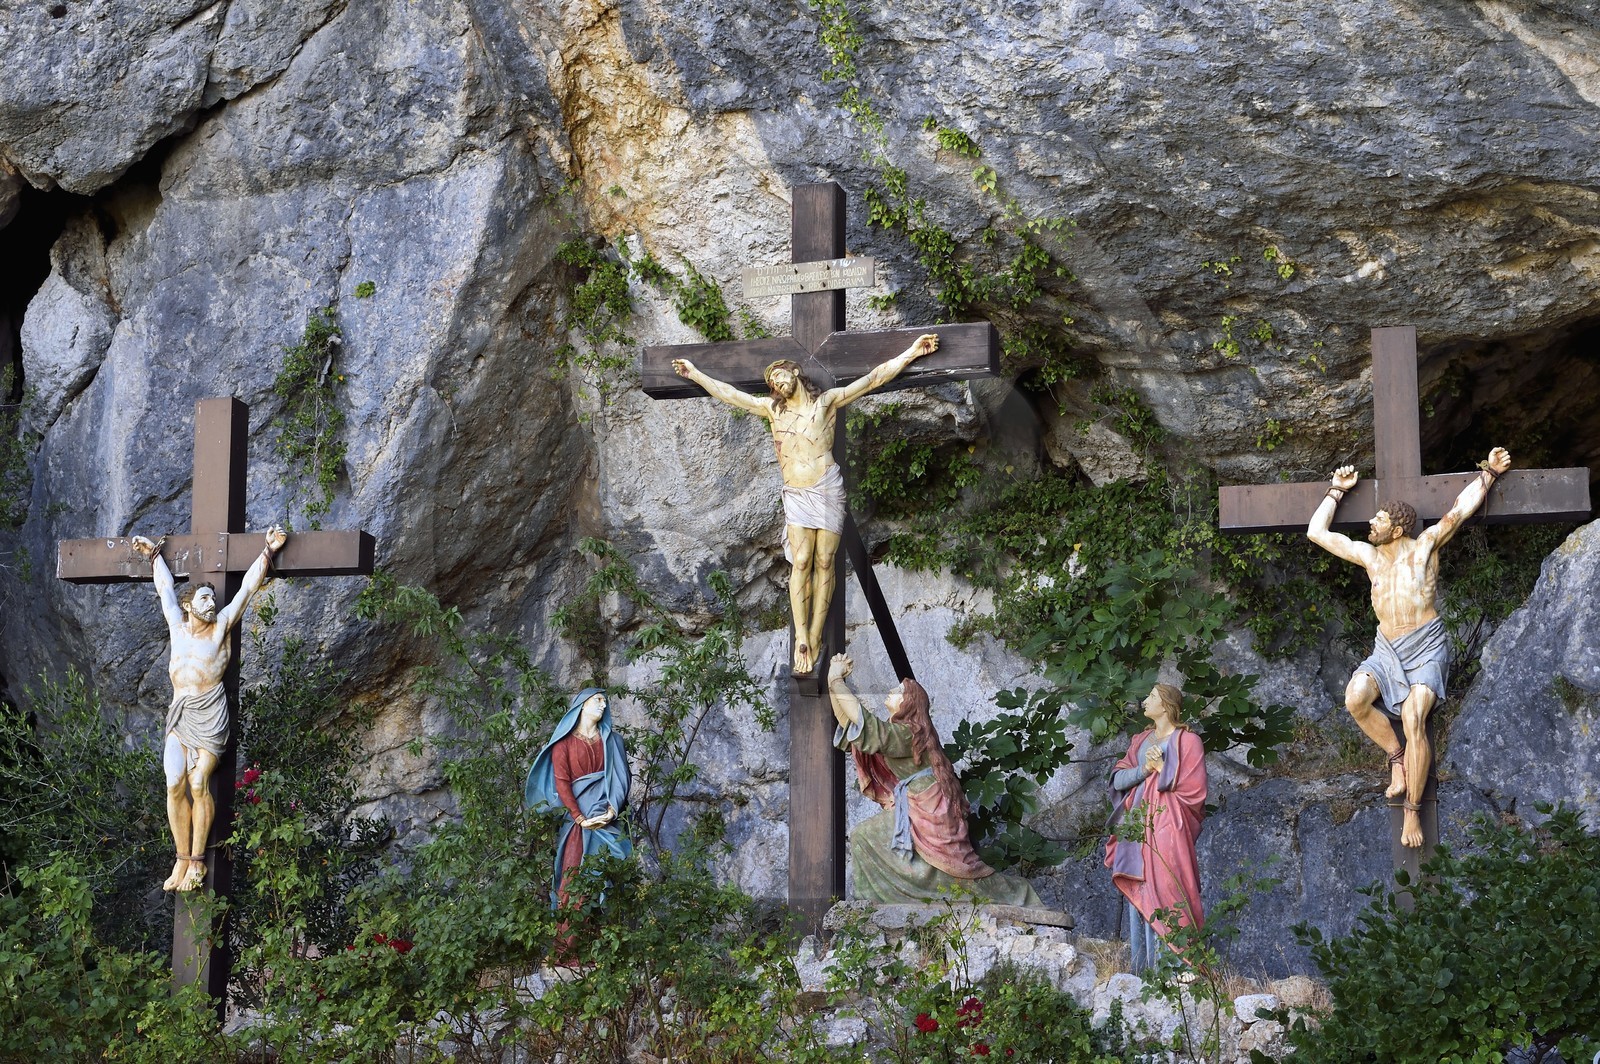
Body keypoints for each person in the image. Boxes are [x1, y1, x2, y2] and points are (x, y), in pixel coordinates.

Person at [671, 333, 940, 674]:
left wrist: (912, 353)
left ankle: (814, 636)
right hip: (797, 494)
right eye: (771, 382)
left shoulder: (826, 403)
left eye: (779, 375)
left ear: (795, 371)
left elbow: (873, 379)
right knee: (800, 561)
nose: (775, 383)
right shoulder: (772, 410)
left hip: (826, 488)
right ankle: (801, 636)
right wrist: (695, 374)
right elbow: (731, 395)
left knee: (825, 561)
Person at [1307, 447, 1511, 847]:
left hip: (1425, 645)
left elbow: (1459, 510)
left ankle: (1412, 811)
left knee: (1414, 716)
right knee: (1355, 698)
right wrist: (1336, 491)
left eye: (1379, 519)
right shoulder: (1369, 557)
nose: (1371, 522)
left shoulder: (1424, 548)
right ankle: (1396, 758)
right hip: (1387, 649)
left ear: (1398, 528)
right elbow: (1317, 533)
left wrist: (1489, 473)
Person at [131, 526, 286, 892]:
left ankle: (198, 861)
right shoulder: (177, 626)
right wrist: (154, 556)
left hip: (210, 716)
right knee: (174, 783)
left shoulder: (220, 629)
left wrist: (268, 551)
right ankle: (181, 859)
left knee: (198, 782)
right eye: (203, 599)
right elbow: (165, 589)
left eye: (211, 599)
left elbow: (246, 589)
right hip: (180, 714)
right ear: (189, 606)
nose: (210, 604)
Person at [826, 653, 1043, 906]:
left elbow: (865, 724)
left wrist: (836, 680)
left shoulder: (909, 733)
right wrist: (833, 681)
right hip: (918, 803)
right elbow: (852, 725)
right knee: (869, 839)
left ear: (908, 703)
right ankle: (887, 900)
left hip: (929, 806)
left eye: (898, 692)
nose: (891, 692)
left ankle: (1016, 894)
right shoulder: (901, 731)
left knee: (948, 868)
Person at [1105, 683, 1207, 973]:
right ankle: (1146, 971)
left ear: (1165, 704)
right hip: (1138, 823)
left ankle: (1180, 967)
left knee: (1170, 884)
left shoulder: (1188, 741)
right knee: (1142, 883)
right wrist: (1144, 770)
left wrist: (1162, 769)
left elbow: (1196, 791)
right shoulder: (1141, 740)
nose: (1145, 701)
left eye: (1151, 696)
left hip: (1169, 823)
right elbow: (1117, 780)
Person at [524, 688, 631, 956]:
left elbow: (621, 779)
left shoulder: (613, 741)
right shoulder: (563, 745)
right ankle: (567, 950)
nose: (603, 706)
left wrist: (611, 811)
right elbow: (562, 784)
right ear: (581, 706)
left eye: (605, 701)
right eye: (597, 700)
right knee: (572, 882)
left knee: (612, 877)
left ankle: (607, 951)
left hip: (606, 821)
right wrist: (579, 817)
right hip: (577, 825)